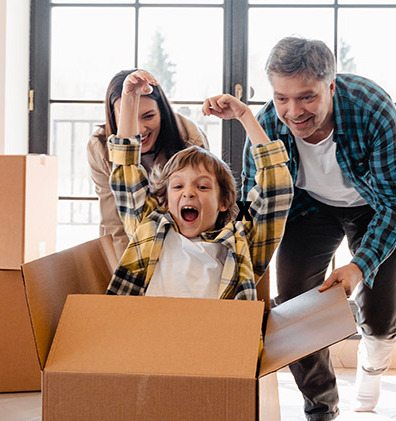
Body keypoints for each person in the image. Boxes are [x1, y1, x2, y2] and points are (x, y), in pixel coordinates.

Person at [240, 36, 396, 419]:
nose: (293, 111)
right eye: (282, 97)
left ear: (331, 86)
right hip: (309, 207)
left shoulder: (372, 109)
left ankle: (373, 364)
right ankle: (321, 406)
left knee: (379, 317)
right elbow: (249, 198)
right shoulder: (269, 121)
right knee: (294, 306)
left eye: (307, 97)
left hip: (375, 204)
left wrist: (358, 267)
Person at [105, 70, 293, 300]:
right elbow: (126, 173)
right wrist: (130, 98)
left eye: (202, 187)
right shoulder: (150, 229)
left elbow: (275, 191)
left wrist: (245, 115)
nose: (189, 193)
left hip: (214, 334)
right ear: (164, 200)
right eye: (177, 187)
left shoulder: (239, 240)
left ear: (224, 202)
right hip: (152, 332)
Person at [87, 69, 209, 257]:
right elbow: (113, 224)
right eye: (127, 116)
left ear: (162, 112)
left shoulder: (189, 137)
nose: (139, 129)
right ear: (113, 115)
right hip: (134, 238)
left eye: (149, 116)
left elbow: (203, 211)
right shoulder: (99, 147)